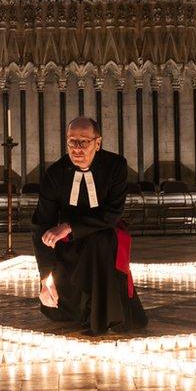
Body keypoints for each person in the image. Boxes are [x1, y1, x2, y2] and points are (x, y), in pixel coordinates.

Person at [31, 116, 148, 335]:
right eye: (71, 141)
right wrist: (45, 278)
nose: (76, 148)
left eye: (83, 142)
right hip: (68, 240)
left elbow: (113, 213)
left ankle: (101, 314)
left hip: (106, 230)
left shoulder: (115, 166)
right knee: (69, 242)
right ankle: (80, 310)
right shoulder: (55, 174)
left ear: (98, 142)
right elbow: (41, 225)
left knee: (99, 242)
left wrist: (68, 226)